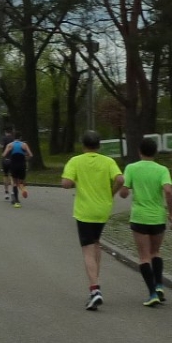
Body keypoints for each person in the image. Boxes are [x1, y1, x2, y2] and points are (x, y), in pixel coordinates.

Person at [61, 130, 124, 310]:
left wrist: (77, 182)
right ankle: (96, 280)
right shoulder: (108, 161)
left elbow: (65, 183)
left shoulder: (75, 161)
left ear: (83, 145)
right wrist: (111, 193)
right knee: (96, 244)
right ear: (99, 145)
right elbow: (120, 179)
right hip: (103, 209)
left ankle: (95, 290)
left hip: (85, 211)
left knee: (88, 249)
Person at [119, 137, 172, 307]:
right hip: (157, 217)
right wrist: (171, 213)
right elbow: (168, 191)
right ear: (155, 152)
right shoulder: (162, 170)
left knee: (144, 257)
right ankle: (159, 286)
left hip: (139, 217)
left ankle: (152, 294)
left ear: (139, 151)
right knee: (155, 252)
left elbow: (123, 192)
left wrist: (124, 191)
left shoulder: (131, 168)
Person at [2, 133, 33, 207]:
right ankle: (23, 190)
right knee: (21, 182)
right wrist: (25, 159)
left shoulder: (10, 145)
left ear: (14, 137)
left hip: (14, 165)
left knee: (15, 183)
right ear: (21, 137)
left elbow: (4, 155)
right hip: (22, 165)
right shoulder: (24, 144)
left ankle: (16, 202)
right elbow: (31, 155)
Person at [0, 127, 16, 199]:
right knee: (12, 176)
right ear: (11, 132)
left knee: (5, 175)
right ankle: (13, 191)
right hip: (13, 159)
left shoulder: (3, 138)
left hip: (5, 159)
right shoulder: (13, 139)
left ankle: (6, 192)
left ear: (5, 132)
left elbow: (0, 146)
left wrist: (1, 146)